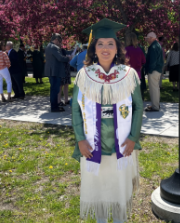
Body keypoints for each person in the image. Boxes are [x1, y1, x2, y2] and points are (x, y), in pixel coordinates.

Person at [72, 18, 142, 223]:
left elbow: (138, 107)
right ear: (93, 48)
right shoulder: (84, 76)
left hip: (120, 143)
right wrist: (80, 139)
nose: (105, 48)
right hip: (92, 144)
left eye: (110, 43)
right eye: (100, 43)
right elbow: (75, 109)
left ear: (117, 48)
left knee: (118, 189)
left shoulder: (129, 75)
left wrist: (132, 137)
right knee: (99, 189)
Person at [44, 33, 70, 112]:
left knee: (53, 89)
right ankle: (54, 107)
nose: (60, 43)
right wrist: (68, 58)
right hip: (55, 71)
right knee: (55, 90)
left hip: (52, 71)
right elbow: (60, 58)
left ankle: (54, 105)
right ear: (56, 39)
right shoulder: (54, 47)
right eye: (59, 41)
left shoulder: (49, 46)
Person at [144, 32, 164, 111]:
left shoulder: (153, 47)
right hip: (157, 69)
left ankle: (155, 106)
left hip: (154, 70)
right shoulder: (157, 45)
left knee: (154, 89)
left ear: (152, 38)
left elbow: (152, 61)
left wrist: (150, 70)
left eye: (147, 38)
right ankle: (156, 104)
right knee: (156, 88)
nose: (147, 40)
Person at [125, 32, 146, 99]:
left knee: (129, 92)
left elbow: (124, 61)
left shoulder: (127, 49)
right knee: (136, 92)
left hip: (128, 73)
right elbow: (144, 61)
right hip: (138, 73)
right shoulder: (139, 49)